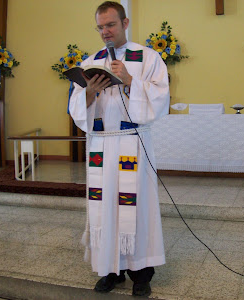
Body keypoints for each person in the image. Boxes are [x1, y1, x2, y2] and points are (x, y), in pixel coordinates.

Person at [69, 1, 170, 297]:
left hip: (133, 144)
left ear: (125, 24)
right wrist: (89, 92)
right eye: (100, 27)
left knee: (136, 208)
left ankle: (141, 274)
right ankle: (110, 271)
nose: (105, 32)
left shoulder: (148, 57)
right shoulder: (91, 61)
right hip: (101, 143)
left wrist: (128, 80)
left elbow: (161, 99)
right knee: (104, 208)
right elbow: (77, 108)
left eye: (110, 25)